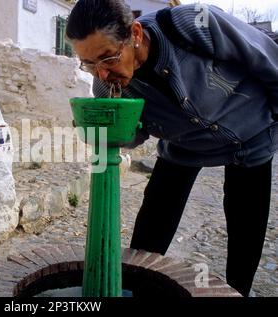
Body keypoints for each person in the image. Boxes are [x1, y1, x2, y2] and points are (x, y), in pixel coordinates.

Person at [66, 0, 278, 297]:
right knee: (151, 228)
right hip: (182, 146)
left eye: (108, 58)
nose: (101, 74)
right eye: (88, 64)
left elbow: (267, 60)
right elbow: (135, 134)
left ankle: (236, 291)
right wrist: (105, 132)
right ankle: (133, 289)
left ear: (135, 34)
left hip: (251, 135)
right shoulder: (107, 85)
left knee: (245, 232)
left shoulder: (194, 24)